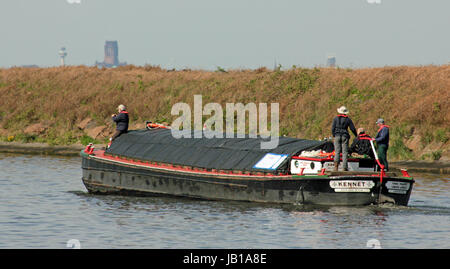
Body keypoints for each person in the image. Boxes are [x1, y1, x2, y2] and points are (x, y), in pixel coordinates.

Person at [331, 106, 357, 171]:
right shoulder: (348, 119)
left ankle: (336, 167)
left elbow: (333, 128)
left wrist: (334, 134)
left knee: (337, 151)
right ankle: (344, 167)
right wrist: (356, 135)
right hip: (345, 136)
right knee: (345, 152)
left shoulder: (335, 118)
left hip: (337, 136)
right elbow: (352, 128)